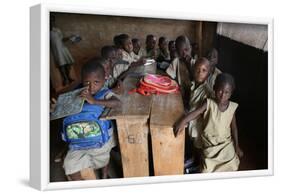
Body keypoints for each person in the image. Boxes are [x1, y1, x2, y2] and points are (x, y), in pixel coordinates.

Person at [59, 59, 121, 180]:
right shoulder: (75, 94)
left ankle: (104, 175)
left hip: (100, 140)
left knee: (103, 159)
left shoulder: (104, 93)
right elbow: (64, 112)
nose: (91, 86)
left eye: (96, 82)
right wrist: (56, 109)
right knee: (69, 165)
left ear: (104, 81)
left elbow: (117, 103)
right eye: (87, 82)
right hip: (76, 140)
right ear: (81, 81)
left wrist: (94, 101)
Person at [174, 73, 243, 173]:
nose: (223, 95)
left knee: (233, 166)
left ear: (231, 93)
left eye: (227, 92)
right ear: (214, 88)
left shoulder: (232, 107)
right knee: (206, 170)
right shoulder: (209, 103)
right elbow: (196, 112)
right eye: (220, 90)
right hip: (210, 144)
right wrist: (183, 121)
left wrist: (237, 146)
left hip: (225, 144)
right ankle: (198, 167)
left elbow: (234, 128)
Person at [184, 57, 213, 173]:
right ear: (193, 70)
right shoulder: (193, 84)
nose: (200, 73)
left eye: (204, 70)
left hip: (199, 126)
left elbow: (202, 112)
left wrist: (186, 118)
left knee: (200, 146)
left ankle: (199, 166)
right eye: (197, 69)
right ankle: (194, 160)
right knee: (194, 144)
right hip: (192, 123)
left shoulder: (207, 91)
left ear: (208, 73)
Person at [50, 14, 76, 86]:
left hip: (63, 48)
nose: (52, 22)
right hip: (56, 50)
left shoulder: (57, 30)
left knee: (69, 63)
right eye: (50, 20)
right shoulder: (46, 31)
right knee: (61, 65)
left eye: (53, 20)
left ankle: (68, 77)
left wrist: (69, 38)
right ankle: (65, 79)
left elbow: (61, 39)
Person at [166, 35, 193, 104]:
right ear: (177, 52)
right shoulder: (176, 62)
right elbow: (169, 77)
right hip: (180, 94)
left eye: (186, 50)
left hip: (192, 96)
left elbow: (195, 80)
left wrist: (189, 66)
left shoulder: (195, 63)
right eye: (181, 51)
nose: (184, 54)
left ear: (191, 48)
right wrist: (176, 84)